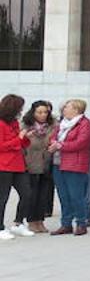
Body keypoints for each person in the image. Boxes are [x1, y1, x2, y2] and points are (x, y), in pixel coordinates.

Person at [49, 99, 90, 236]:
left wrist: (61, 146)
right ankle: (66, 224)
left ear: (76, 110)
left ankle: (81, 223)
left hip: (75, 164)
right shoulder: (62, 124)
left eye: (67, 107)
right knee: (63, 196)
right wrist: (53, 144)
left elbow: (81, 143)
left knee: (76, 196)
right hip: (58, 163)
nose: (64, 109)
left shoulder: (84, 124)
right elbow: (53, 137)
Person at [16, 100, 56, 233]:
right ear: (33, 113)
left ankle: (40, 220)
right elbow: (21, 142)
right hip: (30, 162)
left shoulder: (53, 125)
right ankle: (31, 221)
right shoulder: (25, 125)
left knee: (43, 194)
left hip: (46, 162)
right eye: (39, 112)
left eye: (45, 112)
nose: (43, 115)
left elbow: (55, 139)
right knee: (32, 193)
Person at [0, 94, 31, 240]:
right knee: (2, 198)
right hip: (4, 165)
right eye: (20, 107)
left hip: (18, 164)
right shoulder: (1, 124)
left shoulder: (14, 122)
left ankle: (18, 223)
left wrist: (25, 137)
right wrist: (17, 139)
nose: (21, 110)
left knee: (27, 193)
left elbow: (21, 144)